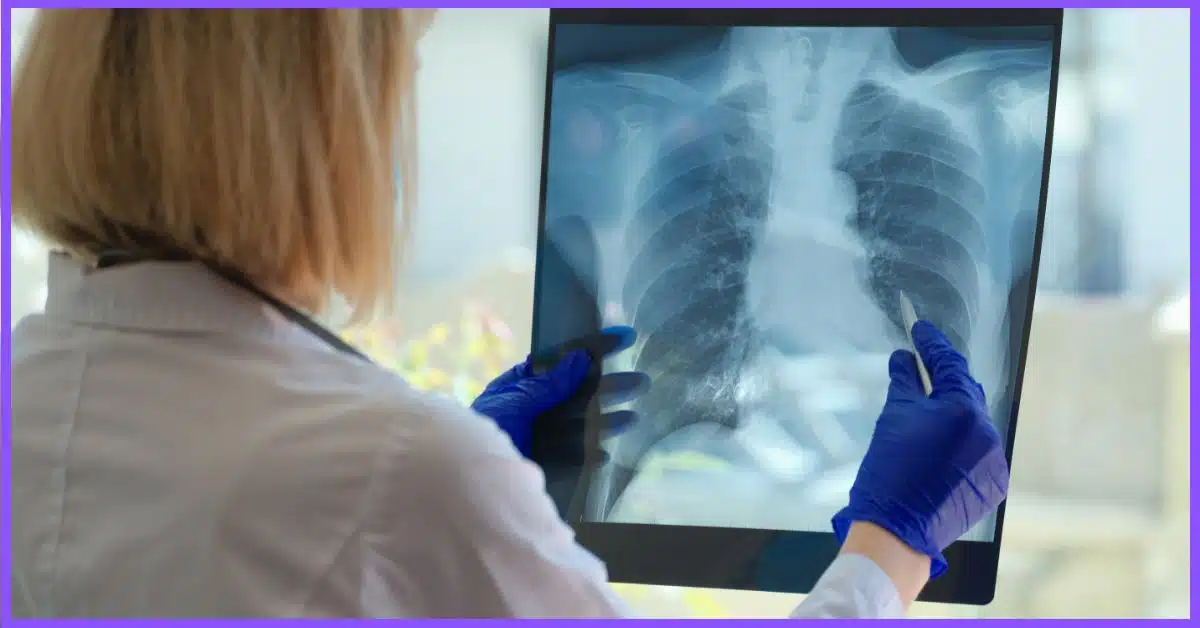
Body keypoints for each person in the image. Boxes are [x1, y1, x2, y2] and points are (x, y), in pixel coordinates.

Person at [9, 9, 1009, 619]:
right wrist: (891, 548)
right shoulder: (393, 475)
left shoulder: (28, 385)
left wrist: (451, 491)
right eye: (402, 68)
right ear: (320, 117)